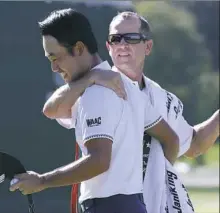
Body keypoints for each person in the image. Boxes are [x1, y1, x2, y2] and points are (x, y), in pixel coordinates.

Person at [42, 11, 219, 212]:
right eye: (115, 39)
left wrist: (155, 180)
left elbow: (193, 144)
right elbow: (52, 109)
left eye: (131, 38)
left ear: (148, 46)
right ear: (108, 47)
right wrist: (90, 78)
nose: (122, 45)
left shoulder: (162, 98)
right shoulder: (94, 86)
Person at [10, 9, 180, 213]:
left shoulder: (96, 94)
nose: (54, 67)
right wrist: (154, 190)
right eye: (50, 60)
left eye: (56, 57)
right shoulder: (126, 87)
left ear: (79, 48)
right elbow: (171, 139)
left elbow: (99, 161)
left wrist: (42, 181)